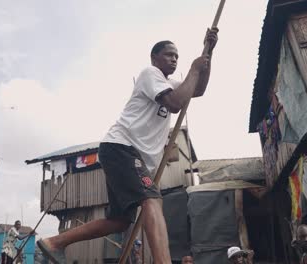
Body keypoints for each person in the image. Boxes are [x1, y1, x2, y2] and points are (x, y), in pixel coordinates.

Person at [37, 28, 218, 264]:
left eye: (177, 57)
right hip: (121, 147)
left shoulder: (172, 83)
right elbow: (175, 103)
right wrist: (194, 68)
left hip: (128, 155)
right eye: (169, 55)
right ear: (154, 58)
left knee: (119, 221)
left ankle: (54, 243)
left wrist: (208, 53)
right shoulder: (150, 74)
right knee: (152, 199)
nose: (174, 59)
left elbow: (199, 89)